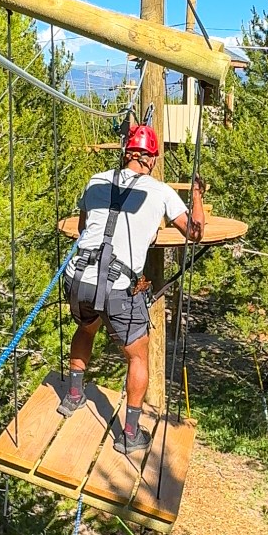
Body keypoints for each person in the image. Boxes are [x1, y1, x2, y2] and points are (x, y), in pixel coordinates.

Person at [59, 123, 204, 452]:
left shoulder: (96, 181)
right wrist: (195, 196)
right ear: (151, 159)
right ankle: (129, 433)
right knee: (138, 357)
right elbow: (193, 232)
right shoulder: (161, 191)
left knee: (86, 326)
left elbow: (85, 228)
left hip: (78, 276)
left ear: (126, 153)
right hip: (117, 286)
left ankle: (73, 396)